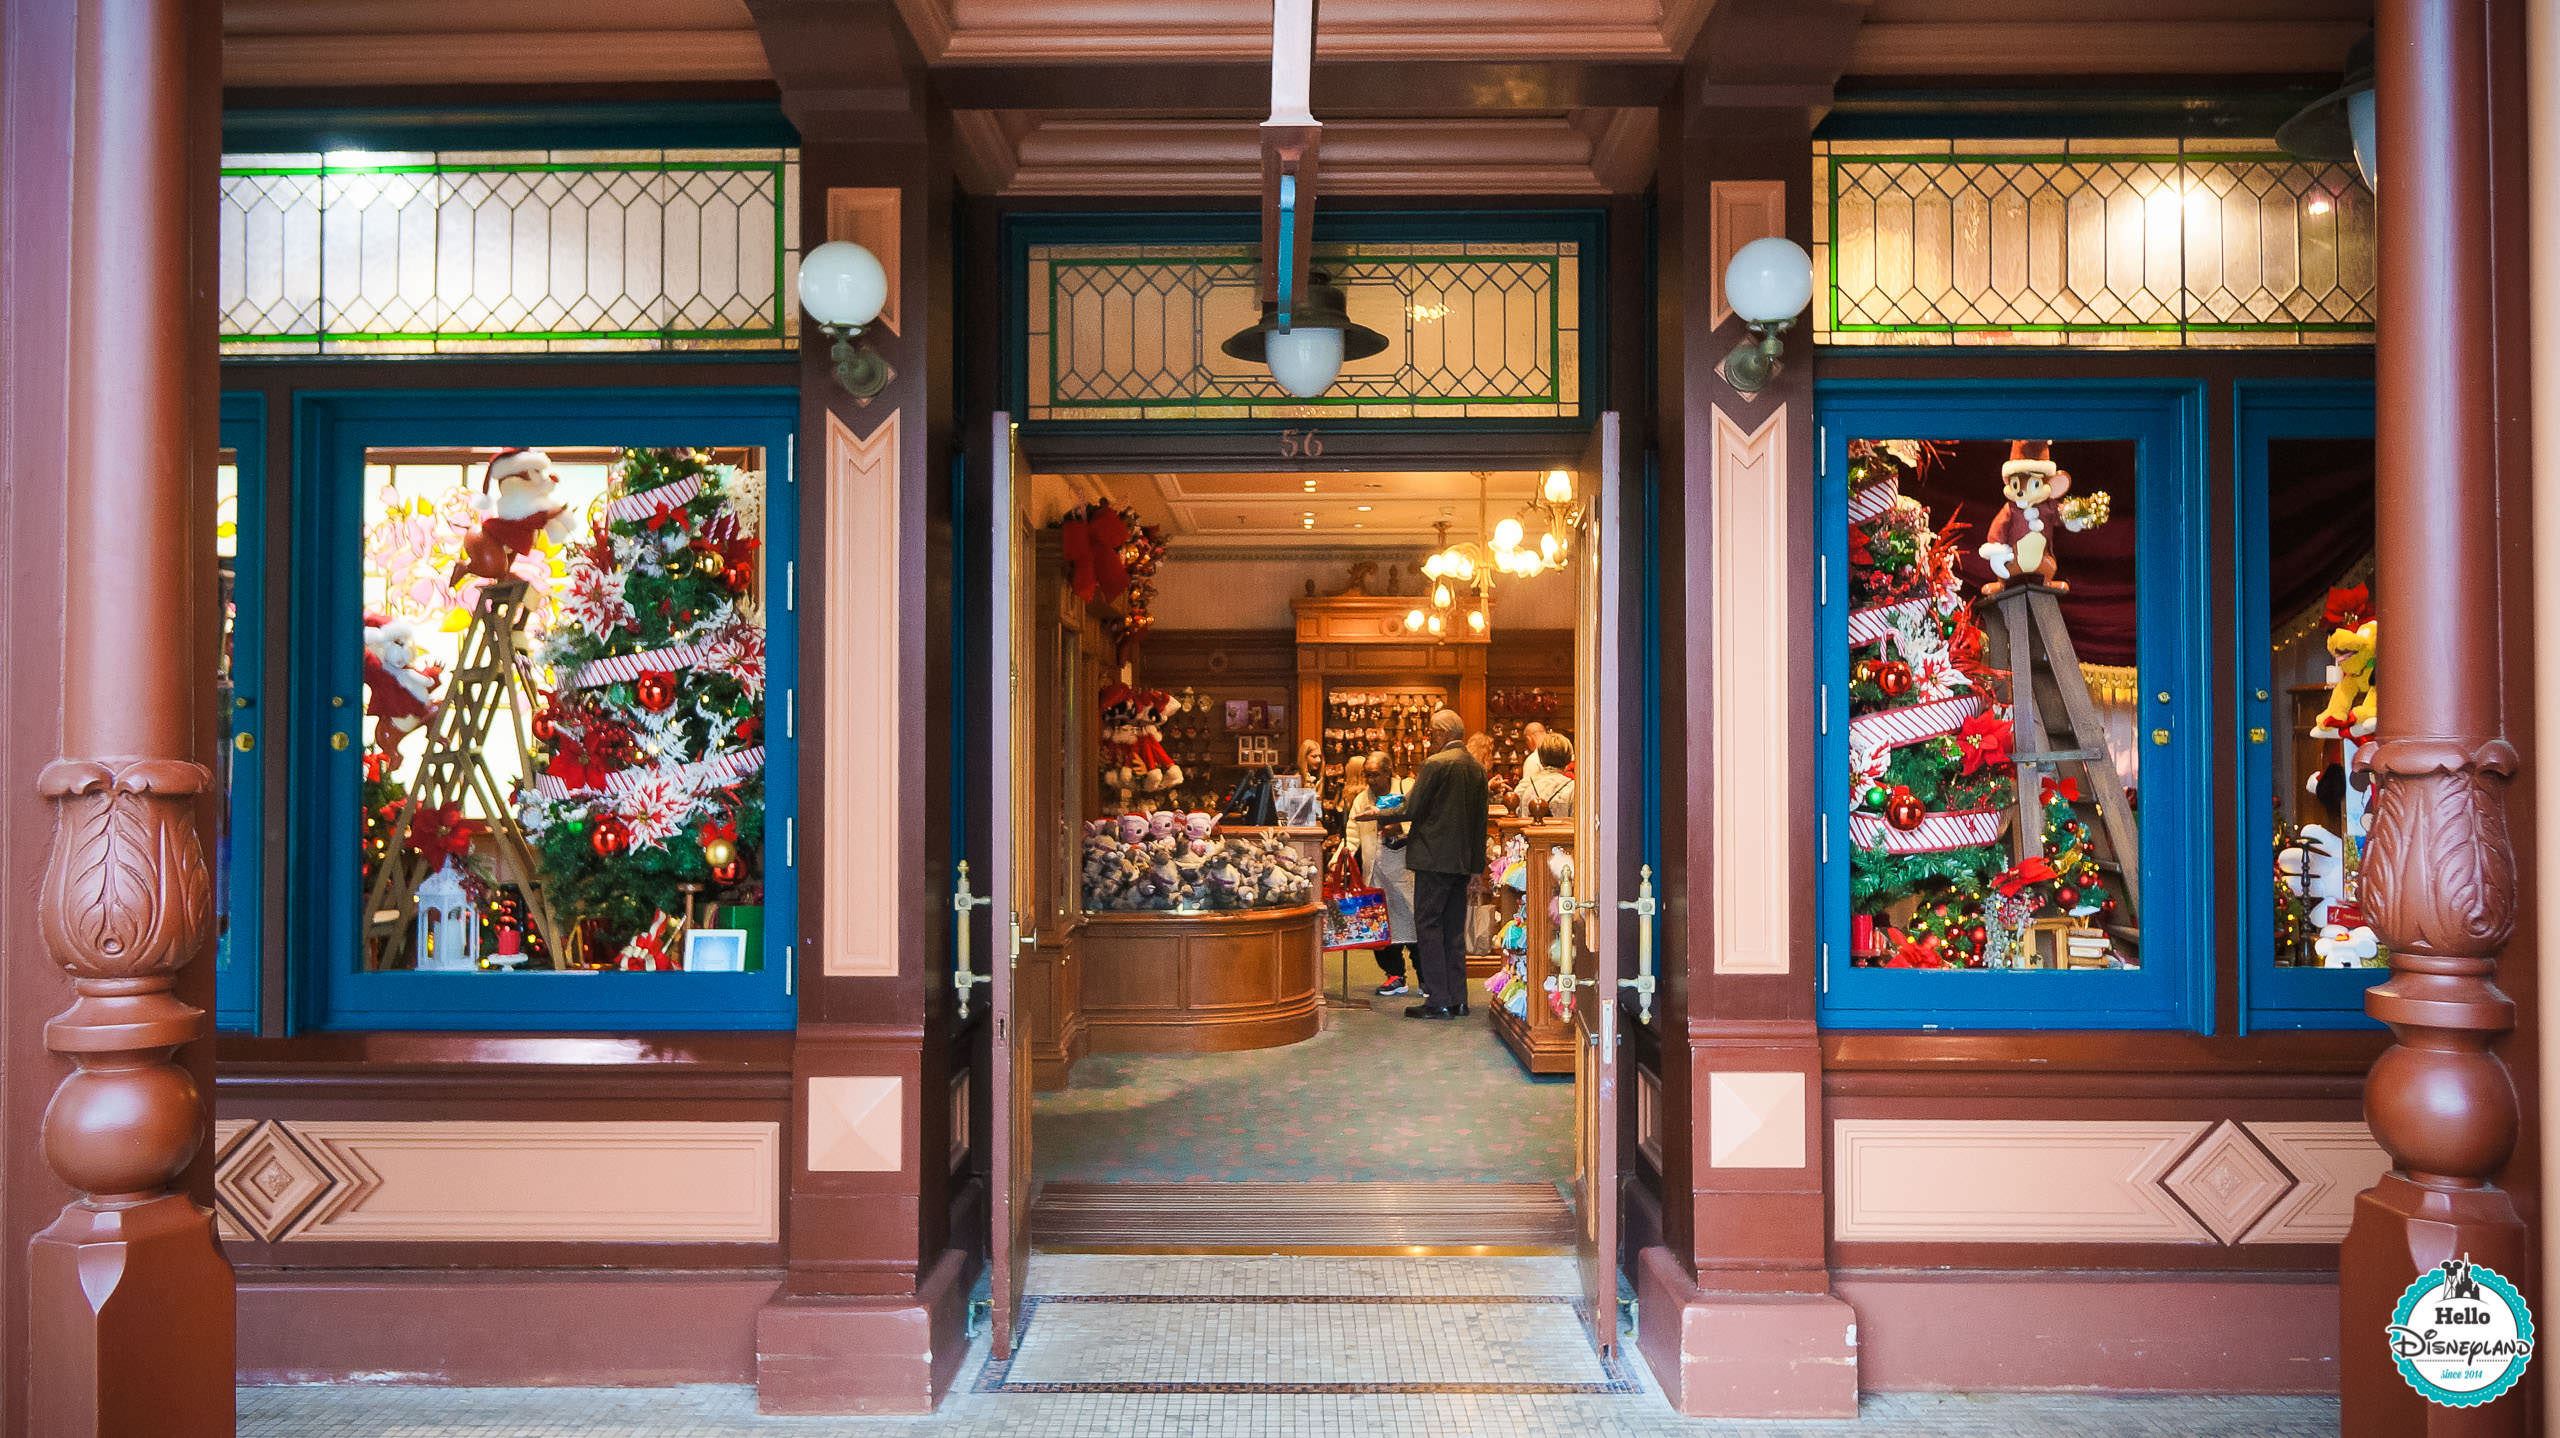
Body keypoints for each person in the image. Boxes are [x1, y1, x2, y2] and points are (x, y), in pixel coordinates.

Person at [1392, 709, 1489, 1019]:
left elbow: (1411, 807)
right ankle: (1458, 998)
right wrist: (1477, 867)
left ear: (1445, 733)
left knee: (1429, 926)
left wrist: (1380, 814)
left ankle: (1438, 999)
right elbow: (1480, 823)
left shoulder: (1435, 764)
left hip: (1432, 859)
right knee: (1453, 930)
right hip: (1461, 862)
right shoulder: (1475, 768)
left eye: (1433, 732)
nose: (1430, 738)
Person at [1344, 751, 1417, 997]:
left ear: (1389, 772)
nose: (1371, 781)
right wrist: (1340, 859)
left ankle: (1426, 978)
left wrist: (1401, 826)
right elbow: (1352, 832)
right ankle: (1394, 975)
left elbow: (1421, 820)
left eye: (1375, 775)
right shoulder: (1362, 799)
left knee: (1411, 925)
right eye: (1367, 775)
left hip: (1404, 874)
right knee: (1379, 927)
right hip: (1374, 874)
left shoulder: (1407, 790)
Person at [1515, 732, 1576, 819]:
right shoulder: (1574, 789)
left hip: (1529, 832)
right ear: (1568, 759)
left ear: (1541, 758)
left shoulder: (1524, 786)